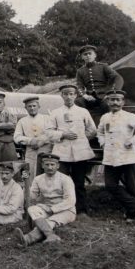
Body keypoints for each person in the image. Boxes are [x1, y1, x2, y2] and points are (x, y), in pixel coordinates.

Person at [97, 90, 135, 221]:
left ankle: (133, 214)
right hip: (110, 157)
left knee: (131, 186)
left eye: (118, 100)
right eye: (112, 99)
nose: (115, 102)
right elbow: (100, 132)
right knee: (110, 185)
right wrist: (102, 143)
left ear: (123, 102)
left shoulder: (129, 116)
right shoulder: (104, 117)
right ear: (108, 101)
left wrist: (132, 141)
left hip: (127, 156)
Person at [45, 84, 96, 217]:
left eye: (71, 94)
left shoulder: (83, 112)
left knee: (79, 182)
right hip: (61, 153)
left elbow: (92, 130)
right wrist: (62, 135)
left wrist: (82, 139)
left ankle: (81, 210)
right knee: (61, 181)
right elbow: (48, 132)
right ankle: (61, 209)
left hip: (80, 152)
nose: (68, 96)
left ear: (75, 95)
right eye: (65, 94)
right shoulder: (55, 113)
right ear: (61, 95)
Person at [17, 153, 76, 246]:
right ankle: (51, 236)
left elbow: (70, 201)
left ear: (58, 166)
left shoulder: (66, 179)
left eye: (52, 164)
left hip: (66, 210)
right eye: (47, 164)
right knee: (32, 209)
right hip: (47, 208)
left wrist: (53, 209)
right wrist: (26, 182)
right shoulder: (38, 179)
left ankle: (28, 239)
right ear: (42, 165)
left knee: (49, 222)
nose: (50, 167)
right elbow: (31, 197)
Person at [75, 45, 124, 121]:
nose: (88, 56)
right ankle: (84, 124)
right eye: (85, 54)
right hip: (89, 97)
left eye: (89, 53)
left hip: (104, 96)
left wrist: (111, 93)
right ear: (82, 57)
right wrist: (85, 96)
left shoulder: (103, 66)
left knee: (107, 104)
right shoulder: (80, 71)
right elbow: (79, 86)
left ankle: (109, 124)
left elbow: (118, 78)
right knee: (78, 102)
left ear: (95, 55)